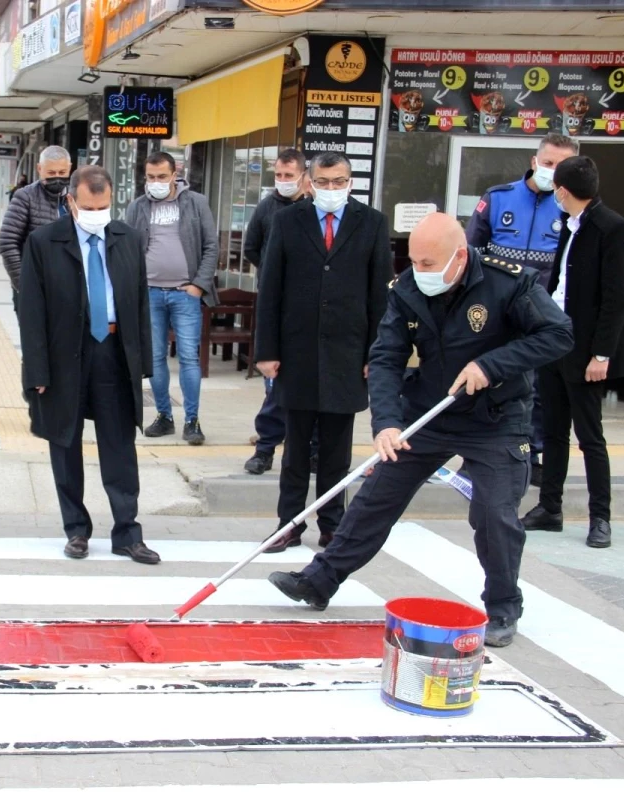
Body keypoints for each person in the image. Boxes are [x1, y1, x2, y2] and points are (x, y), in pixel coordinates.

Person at [267, 213, 574, 648]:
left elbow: (558, 335)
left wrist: (492, 364)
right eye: (414, 262)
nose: (419, 272)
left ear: (460, 256)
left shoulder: (510, 284)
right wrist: (387, 424)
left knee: (493, 513)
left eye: (429, 263)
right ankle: (319, 581)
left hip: (496, 419)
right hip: (430, 411)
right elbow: (388, 357)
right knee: (377, 493)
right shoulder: (408, 289)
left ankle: (504, 606)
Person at [18, 166, 160, 565]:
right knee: (65, 444)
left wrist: (144, 362)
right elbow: (31, 313)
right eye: (89, 206)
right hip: (66, 354)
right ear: (71, 202)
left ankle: (127, 533)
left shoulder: (128, 238)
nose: (97, 213)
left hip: (113, 352)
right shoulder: (44, 242)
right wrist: (37, 372)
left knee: (119, 446)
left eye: (104, 206)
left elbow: (140, 302)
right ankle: (76, 530)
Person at [256, 152, 392, 551]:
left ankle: (333, 524)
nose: (331, 189)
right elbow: (271, 290)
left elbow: (380, 297)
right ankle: (289, 524)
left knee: (336, 451)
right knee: (296, 448)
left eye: (339, 182)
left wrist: (376, 354)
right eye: (324, 182)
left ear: (351, 182)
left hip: (347, 354)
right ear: (309, 183)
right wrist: (266, 350)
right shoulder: (287, 221)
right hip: (296, 352)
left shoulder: (371, 223)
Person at [521, 156, 624, 550]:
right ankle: (549, 507)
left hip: (587, 350)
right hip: (557, 341)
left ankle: (600, 517)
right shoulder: (570, 226)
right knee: (553, 430)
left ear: (563, 191)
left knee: (590, 437)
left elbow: (616, 297)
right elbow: (561, 284)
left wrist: (602, 355)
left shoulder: (612, 227)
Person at [466, 133, 580, 485]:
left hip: (540, 315)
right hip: (494, 310)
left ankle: (530, 453)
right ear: (534, 161)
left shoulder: (571, 211)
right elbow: (471, 250)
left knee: (536, 391)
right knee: (482, 381)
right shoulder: (498, 198)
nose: (553, 171)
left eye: (562, 166)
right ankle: (472, 454)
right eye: (548, 163)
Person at [123, 151, 219, 445]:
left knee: (189, 357)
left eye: (161, 177)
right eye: (150, 177)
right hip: (149, 294)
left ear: (175, 173)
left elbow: (211, 246)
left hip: (185, 294)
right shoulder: (138, 206)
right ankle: (164, 416)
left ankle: (192, 421)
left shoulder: (196, 203)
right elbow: (127, 248)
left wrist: (198, 286)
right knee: (154, 358)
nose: (155, 182)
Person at [242, 148, 311, 475]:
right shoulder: (267, 207)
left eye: (289, 175)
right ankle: (266, 447)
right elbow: (251, 247)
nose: (283, 181)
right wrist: (272, 274)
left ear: (303, 176)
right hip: (276, 305)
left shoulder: (315, 208)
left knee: (311, 384)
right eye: (278, 175)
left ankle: (311, 449)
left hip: (312, 307)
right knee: (276, 382)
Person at [0, 146, 72, 314]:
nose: (57, 178)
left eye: (62, 173)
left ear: (69, 168)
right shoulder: (25, 197)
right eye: (51, 173)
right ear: (40, 169)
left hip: (69, 287)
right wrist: (23, 284)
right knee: (35, 338)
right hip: (34, 285)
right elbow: (7, 242)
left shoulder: (76, 197)